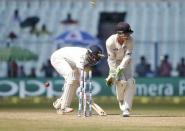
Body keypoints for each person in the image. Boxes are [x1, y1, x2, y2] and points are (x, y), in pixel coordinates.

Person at [50, 45, 104, 114]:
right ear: (90, 54)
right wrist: (81, 84)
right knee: (71, 77)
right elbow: (80, 73)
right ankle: (63, 107)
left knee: (74, 81)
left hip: (70, 62)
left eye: (97, 58)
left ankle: (59, 103)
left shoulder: (88, 56)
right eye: (95, 57)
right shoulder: (81, 57)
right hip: (58, 58)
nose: (95, 59)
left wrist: (80, 83)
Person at [105, 22, 135, 117]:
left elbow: (127, 56)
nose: (128, 35)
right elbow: (111, 59)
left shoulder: (130, 40)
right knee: (121, 82)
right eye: (126, 33)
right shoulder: (110, 42)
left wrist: (121, 68)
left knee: (131, 82)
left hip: (126, 62)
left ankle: (126, 109)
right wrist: (113, 73)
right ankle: (121, 99)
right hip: (114, 62)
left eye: (128, 33)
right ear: (119, 33)